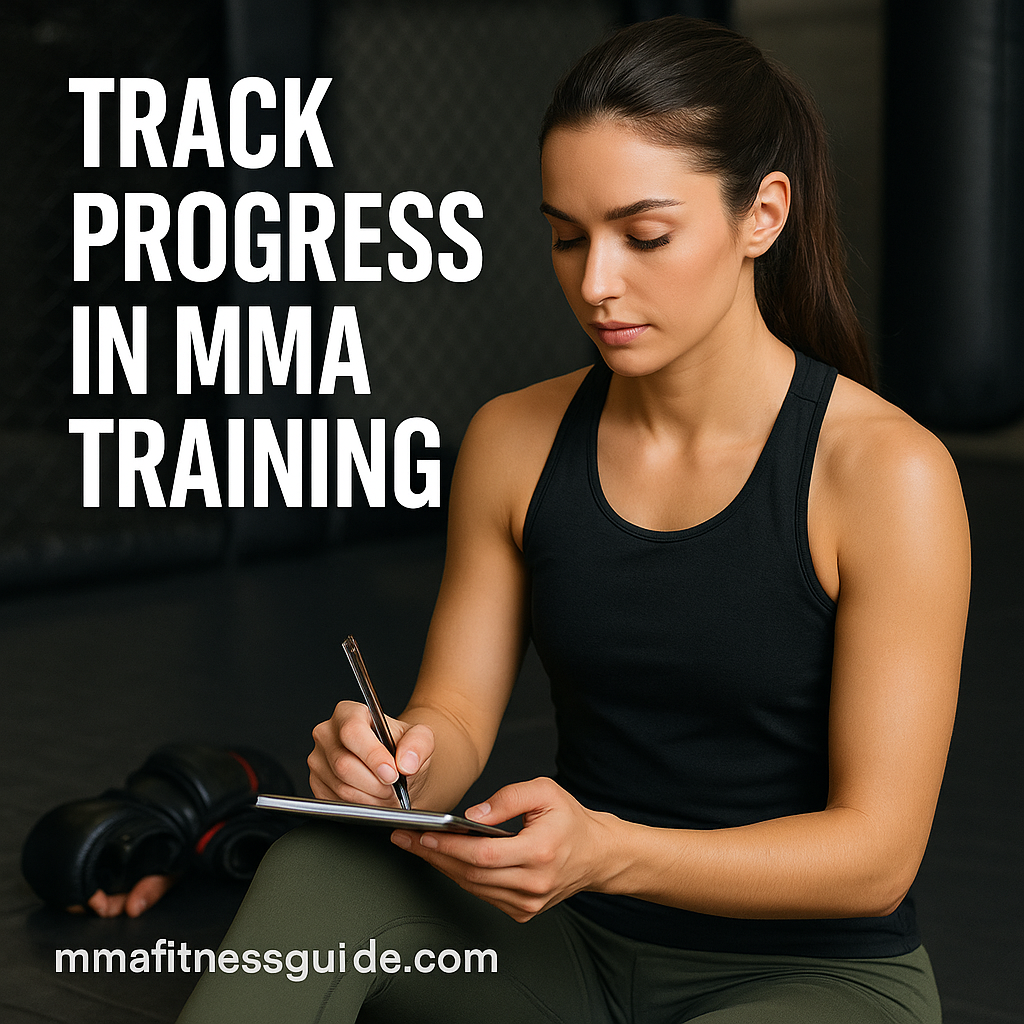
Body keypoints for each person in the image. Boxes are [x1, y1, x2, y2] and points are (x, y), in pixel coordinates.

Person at [176, 16, 969, 1022]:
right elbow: (456, 716)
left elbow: (875, 857)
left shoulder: (884, 472)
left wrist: (610, 849)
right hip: (574, 949)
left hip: (812, 979)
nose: (595, 283)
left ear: (761, 214)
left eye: (644, 235)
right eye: (565, 234)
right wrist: (393, 763)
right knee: (320, 861)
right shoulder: (514, 440)